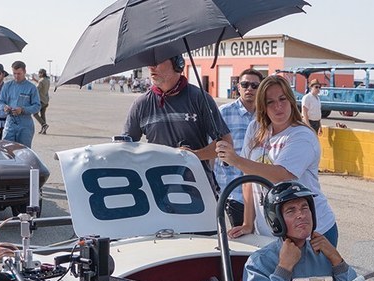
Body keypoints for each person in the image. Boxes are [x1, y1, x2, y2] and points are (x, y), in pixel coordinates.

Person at [215, 75, 339, 246]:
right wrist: (248, 223)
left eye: (282, 99)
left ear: (291, 100)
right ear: (262, 106)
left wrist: (236, 160)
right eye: (270, 102)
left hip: (310, 233)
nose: (278, 106)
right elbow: (248, 178)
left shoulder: (302, 135)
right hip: (270, 233)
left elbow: (282, 175)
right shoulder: (256, 128)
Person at [242, 181, 356, 281]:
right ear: (276, 220)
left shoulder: (324, 255)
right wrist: (283, 269)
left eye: (305, 208)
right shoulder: (260, 262)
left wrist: (337, 260)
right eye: (291, 211)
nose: (301, 215)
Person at [123, 55, 231, 195]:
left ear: (178, 64)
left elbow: (226, 143)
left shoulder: (199, 98)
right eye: (150, 63)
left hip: (197, 192)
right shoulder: (141, 104)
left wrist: (194, 155)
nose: (151, 67)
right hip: (158, 192)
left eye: (157, 62)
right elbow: (126, 146)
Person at [216, 68, 264, 226]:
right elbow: (212, 149)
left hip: (260, 191)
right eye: (245, 84)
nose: (249, 89)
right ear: (238, 87)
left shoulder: (266, 115)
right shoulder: (224, 113)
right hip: (233, 190)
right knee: (240, 236)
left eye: (254, 85)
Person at [0, 61, 41, 147]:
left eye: (19, 74)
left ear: (24, 72)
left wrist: (23, 110)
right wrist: (4, 107)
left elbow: (37, 106)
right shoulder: (7, 86)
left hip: (25, 125)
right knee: (6, 148)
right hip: (10, 123)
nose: (16, 76)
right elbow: (0, 102)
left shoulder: (31, 88)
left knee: (23, 150)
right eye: (14, 73)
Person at [33, 68, 50, 135]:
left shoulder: (41, 81)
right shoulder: (47, 80)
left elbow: (36, 89)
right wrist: (36, 81)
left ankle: (44, 125)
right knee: (42, 115)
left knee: (35, 113)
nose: (38, 74)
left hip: (41, 100)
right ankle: (44, 130)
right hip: (46, 100)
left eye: (39, 73)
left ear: (42, 73)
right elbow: (42, 84)